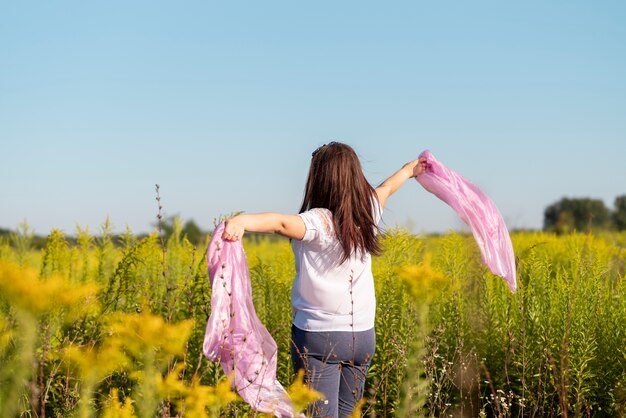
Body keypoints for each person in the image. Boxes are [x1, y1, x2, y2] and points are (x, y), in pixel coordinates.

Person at [223, 142, 426, 418]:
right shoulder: (368, 213)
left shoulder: (319, 221)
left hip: (320, 338)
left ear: (321, 180)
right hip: (362, 337)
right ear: (355, 177)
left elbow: (280, 223)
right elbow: (388, 187)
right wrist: (410, 169)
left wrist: (242, 221)